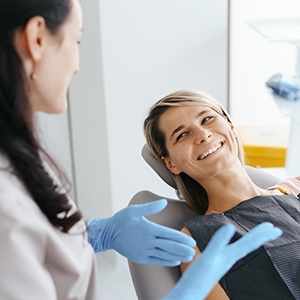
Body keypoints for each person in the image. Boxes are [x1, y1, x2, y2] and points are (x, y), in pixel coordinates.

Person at [0, 1, 282, 299]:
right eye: (76, 39)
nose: (77, 65)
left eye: (208, 118)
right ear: (37, 39)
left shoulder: (20, 158)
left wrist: (93, 235)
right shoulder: (7, 201)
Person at [144, 88, 300, 300]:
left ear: (230, 124)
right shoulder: (198, 240)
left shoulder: (292, 189)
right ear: (170, 164)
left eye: (207, 119)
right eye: (182, 135)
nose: (202, 135)